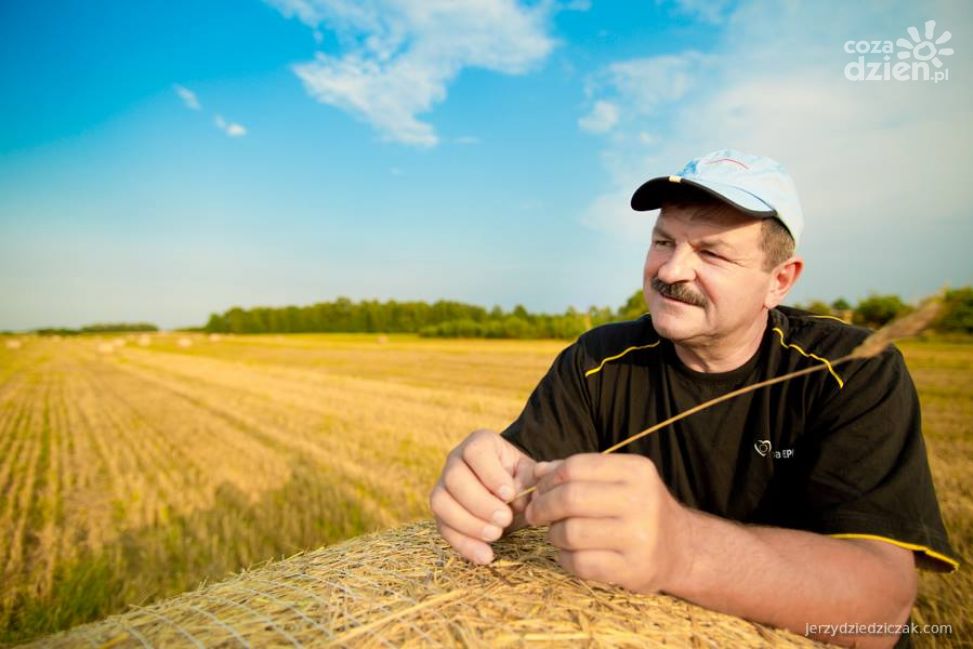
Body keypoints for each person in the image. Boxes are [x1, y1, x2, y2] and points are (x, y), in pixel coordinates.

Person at [428, 150, 957, 648]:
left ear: (779, 281)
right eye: (663, 241)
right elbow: (524, 481)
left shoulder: (849, 371)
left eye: (711, 252)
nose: (670, 270)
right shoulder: (598, 359)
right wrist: (488, 490)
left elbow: (880, 609)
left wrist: (681, 548)